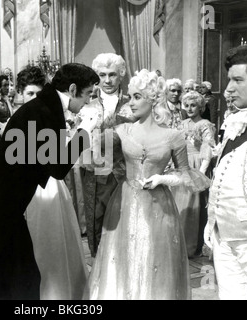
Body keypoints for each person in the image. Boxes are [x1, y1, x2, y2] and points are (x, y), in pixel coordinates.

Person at [0, 63, 100, 300]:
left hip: (4, 205)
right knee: (14, 281)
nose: (88, 102)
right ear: (73, 89)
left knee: (22, 279)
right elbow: (59, 169)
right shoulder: (45, 111)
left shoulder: (45, 106)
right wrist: (85, 131)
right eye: (88, 94)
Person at [85, 69, 210, 300]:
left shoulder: (174, 135)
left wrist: (162, 179)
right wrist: (90, 127)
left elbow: (185, 175)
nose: (130, 103)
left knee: (154, 257)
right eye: (130, 96)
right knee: (123, 257)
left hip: (159, 206)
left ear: (152, 99)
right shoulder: (122, 130)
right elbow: (94, 155)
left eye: (136, 97)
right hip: (124, 203)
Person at [14, 65, 88, 299]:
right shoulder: (18, 120)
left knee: (53, 247)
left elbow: (57, 165)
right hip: (25, 191)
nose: (35, 99)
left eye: (39, 93)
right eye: (29, 94)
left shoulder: (51, 117)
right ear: (19, 94)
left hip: (50, 189)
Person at [204, 44, 247, 300]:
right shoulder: (234, 120)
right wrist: (212, 220)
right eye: (228, 80)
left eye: (238, 80)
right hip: (224, 234)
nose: (228, 89)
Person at [80, 53, 137, 257]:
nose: (107, 80)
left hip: (124, 172)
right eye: (102, 75)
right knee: (96, 220)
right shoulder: (87, 103)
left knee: (123, 221)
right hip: (93, 171)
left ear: (121, 75)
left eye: (112, 74)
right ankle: (98, 266)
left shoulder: (132, 103)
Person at [170, 91, 216, 258]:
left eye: (193, 105)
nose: (189, 108)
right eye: (187, 105)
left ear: (201, 107)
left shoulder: (205, 124)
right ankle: (179, 242)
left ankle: (193, 244)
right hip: (182, 163)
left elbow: (208, 147)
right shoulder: (182, 124)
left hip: (197, 164)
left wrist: (201, 172)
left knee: (195, 204)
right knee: (180, 204)